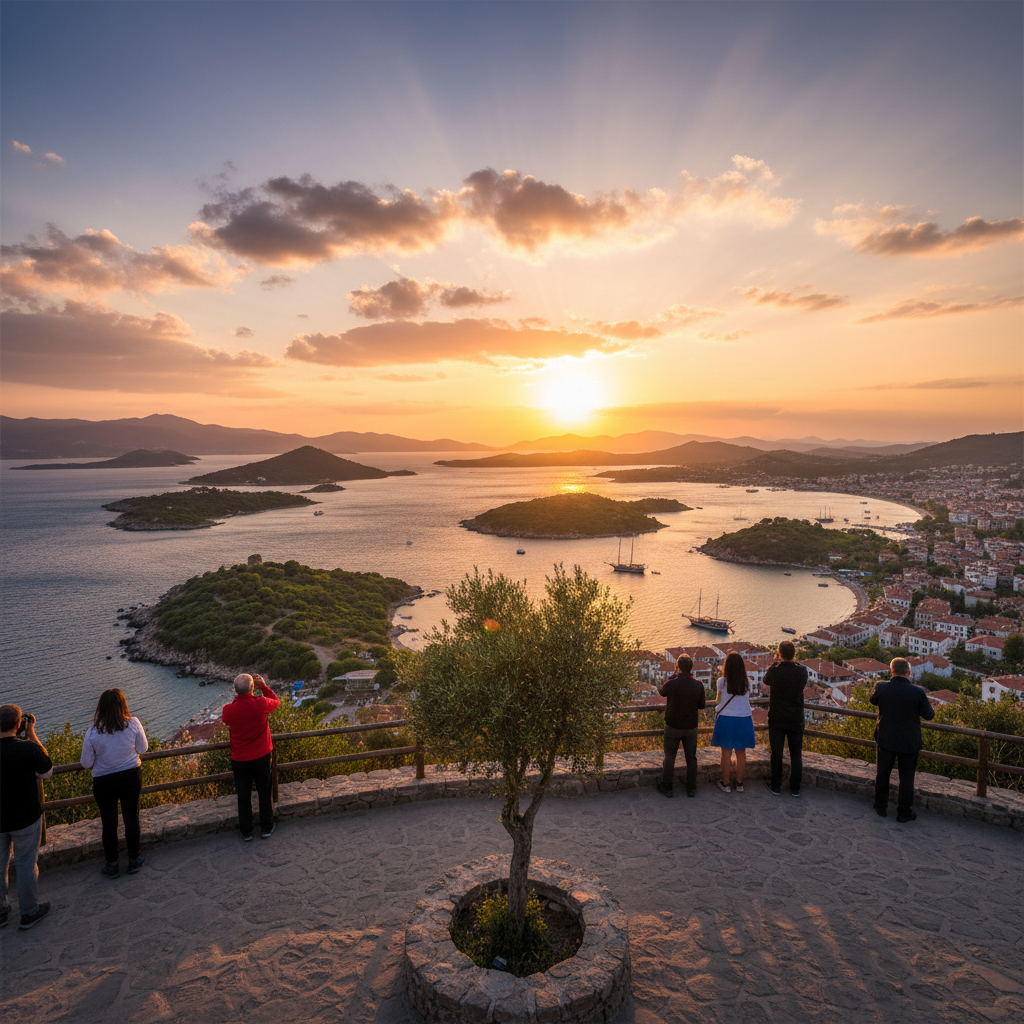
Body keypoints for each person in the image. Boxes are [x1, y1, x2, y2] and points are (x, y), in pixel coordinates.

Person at [81, 689, 149, 879]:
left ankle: (112, 865)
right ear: (123, 705)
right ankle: (134, 860)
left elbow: (86, 763)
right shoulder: (133, 723)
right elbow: (143, 748)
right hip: (130, 776)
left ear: (100, 708)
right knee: (131, 818)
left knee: (108, 823)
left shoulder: (93, 732)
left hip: (104, 781)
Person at [1, 704, 53, 929]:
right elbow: (47, 770)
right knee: (25, 864)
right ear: (18, 724)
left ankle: (1, 912)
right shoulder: (27, 749)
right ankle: (29, 912)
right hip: (25, 817)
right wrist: (31, 735)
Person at [870, 658, 935, 822]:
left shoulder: (881, 687)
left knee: (882, 774)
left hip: (886, 738)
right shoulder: (917, 692)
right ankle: (904, 812)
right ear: (909, 672)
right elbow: (929, 715)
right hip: (909, 741)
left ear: (891, 671)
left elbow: (873, 700)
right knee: (907, 778)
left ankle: (880, 807)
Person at [222, 673, 280, 841]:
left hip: (240, 759)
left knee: (243, 796)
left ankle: (246, 831)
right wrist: (263, 686)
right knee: (264, 792)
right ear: (252, 687)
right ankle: (266, 827)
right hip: (262, 755)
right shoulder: (261, 704)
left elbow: (226, 720)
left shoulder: (229, 709)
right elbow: (276, 702)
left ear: (235, 690)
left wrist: (236, 700)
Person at [656, 655, 706, 798]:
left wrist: (673, 675)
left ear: (678, 667)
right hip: (690, 726)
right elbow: (702, 705)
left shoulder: (672, 683)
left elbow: (661, 690)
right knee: (691, 757)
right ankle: (691, 788)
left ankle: (667, 787)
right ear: (691, 668)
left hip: (673, 725)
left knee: (670, 757)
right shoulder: (698, 685)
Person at [763, 641, 808, 797]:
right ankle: (795, 787)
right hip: (796, 717)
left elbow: (765, 681)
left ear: (779, 653)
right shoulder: (802, 672)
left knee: (777, 753)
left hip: (777, 718)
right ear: (794, 654)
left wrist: (776, 662)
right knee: (796, 754)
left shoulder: (775, 671)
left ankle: (776, 786)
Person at [710, 652, 756, 793]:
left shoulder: (721, 682)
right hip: (743, 718)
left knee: (726, 753)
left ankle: (726, 783)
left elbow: (718, 701)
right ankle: (740, 783)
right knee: (741, 752)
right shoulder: (748, 682)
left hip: (726, 718)